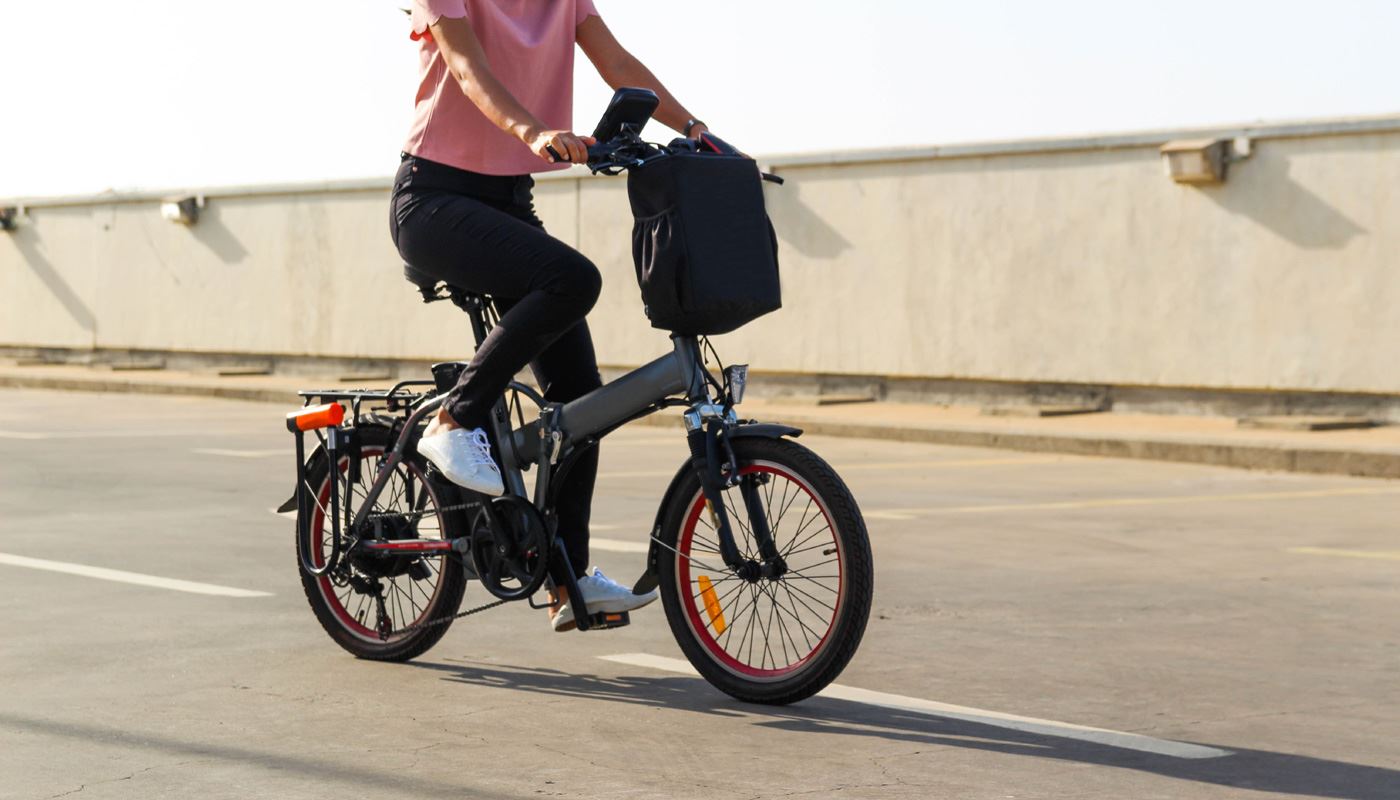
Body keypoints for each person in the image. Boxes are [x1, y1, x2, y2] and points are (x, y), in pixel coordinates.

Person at [389, 0, 709, 632]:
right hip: (433, 201)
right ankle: (456, 416)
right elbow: (467, 65)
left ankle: (569, 578)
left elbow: (617, 64)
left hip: (508, 201)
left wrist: (696, 128)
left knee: (578, 402)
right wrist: (534, 131)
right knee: (573, 278)